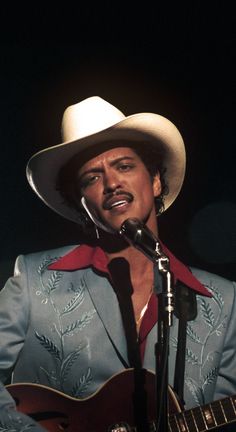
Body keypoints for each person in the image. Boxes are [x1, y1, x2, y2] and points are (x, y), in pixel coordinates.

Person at [0, 96, 236, 431]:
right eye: (91, 178)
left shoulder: (223, 301)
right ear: (82, 205)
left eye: (124, 166)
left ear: (155, 181)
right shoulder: (34, 279)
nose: (111, 184)